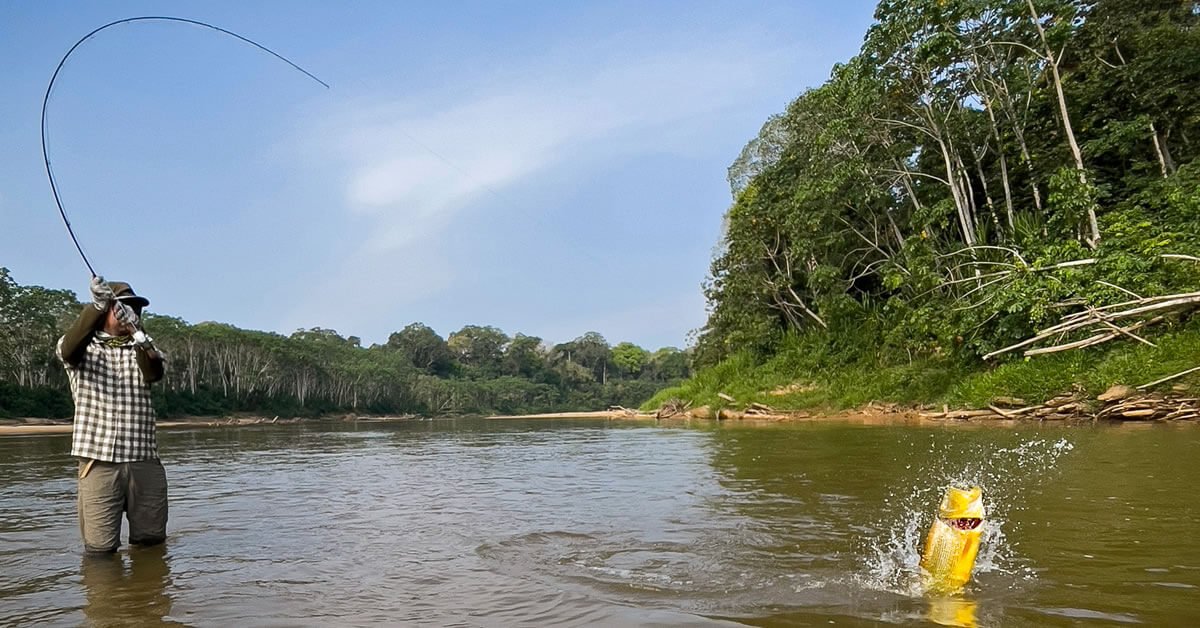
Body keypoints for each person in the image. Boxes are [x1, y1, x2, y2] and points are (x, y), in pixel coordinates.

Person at [57, 276, 167, 554]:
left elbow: (153, 372)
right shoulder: (83, 349)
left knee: (152, 545)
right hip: (99, 461)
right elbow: (68, 350)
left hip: (144, 460)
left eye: (135, 309)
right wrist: (96, 305)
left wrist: (136, 331)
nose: (129, 312)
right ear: (105, 309)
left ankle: (146, 596)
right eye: (120, 306)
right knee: (100, 550)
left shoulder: (145, 348)